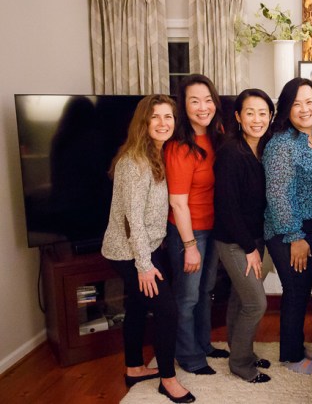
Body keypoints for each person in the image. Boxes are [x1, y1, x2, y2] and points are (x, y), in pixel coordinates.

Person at [101, 95, 194, 403]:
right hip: (129, 252)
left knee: (138, 307)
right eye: (155, 117)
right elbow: (134, 221)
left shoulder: (158, 153)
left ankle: (134, 368)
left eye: (169, 117)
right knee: (166, 310)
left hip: (147, 247)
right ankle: (168, 379)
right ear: (143, 122)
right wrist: (144, 265)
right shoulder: (134, 163)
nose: (163, 123)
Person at [263, 77, 312, 373]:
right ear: (286, 108)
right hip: (292, 229)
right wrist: (295, 235)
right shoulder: (282, 144)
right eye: (296, 104)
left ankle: (304, 346)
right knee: (296, 291)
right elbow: (278, 194)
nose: (305, 109)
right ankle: (291, 356)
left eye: (310, 102)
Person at [164, 74, 228, 376]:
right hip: (189, 231)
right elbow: (177, 203)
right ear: (183, 106)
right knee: (187, 296)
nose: (203, 107)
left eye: (207, 100)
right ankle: (188, 355)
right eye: (194, 101)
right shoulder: (179, 147)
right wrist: (189, 246)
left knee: (206, 290)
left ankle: (203, 344)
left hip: (213, 227)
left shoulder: (218, 135)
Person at [213, 89, 274, 384]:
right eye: (250, 113)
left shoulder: (264, 150)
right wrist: (249, 248)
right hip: (235, 241)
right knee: (256, 303)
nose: (257, 119)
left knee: (241, 299)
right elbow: (227, 207)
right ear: (238, 116)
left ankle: (241, 351)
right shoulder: (230, 153)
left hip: (255, 238)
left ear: (271, 116)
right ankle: (240, 363)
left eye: (263, 113)